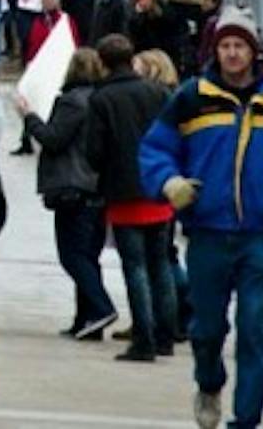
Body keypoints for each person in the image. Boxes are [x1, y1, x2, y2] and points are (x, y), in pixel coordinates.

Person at [139, 6, 263, 429]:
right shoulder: (192, 96)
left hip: (259, 234)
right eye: (224, 45)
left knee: (253, 328)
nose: (231, 54)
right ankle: (209, 384)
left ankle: (246, 420)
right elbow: (155, 148)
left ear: (253, 51)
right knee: (206, 329)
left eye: (239, 46)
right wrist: (170, 183)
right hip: (207, 231)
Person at [85, 34, 179, 362]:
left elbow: (93, 151)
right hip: (160, 185)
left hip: (123, 189)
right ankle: (167, 333)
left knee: (135, 265)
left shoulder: (102, 99)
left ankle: (144, 337)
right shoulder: (159, 92)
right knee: (161, 263)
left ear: (104, 62)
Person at [18, 46, 115, 340]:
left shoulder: (72, 102)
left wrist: (29, 117)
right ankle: (85, 319)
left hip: (73, 186)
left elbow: (54, 138)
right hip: (98, 186)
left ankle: (100, 306)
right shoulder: (103, 100)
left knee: (72, 255)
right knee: (88, 254)